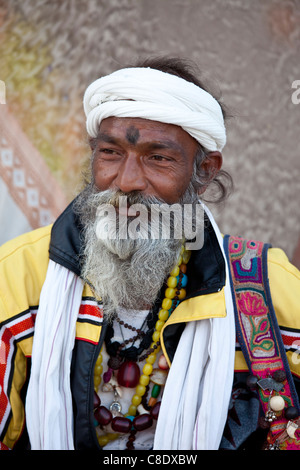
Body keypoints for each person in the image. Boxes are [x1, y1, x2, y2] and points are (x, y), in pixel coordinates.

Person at [0, 56, 300, 452]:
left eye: (158, 158)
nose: (126, 182)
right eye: (110, 152)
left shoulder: (265, 291)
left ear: (205, 171)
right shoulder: (20, 276)